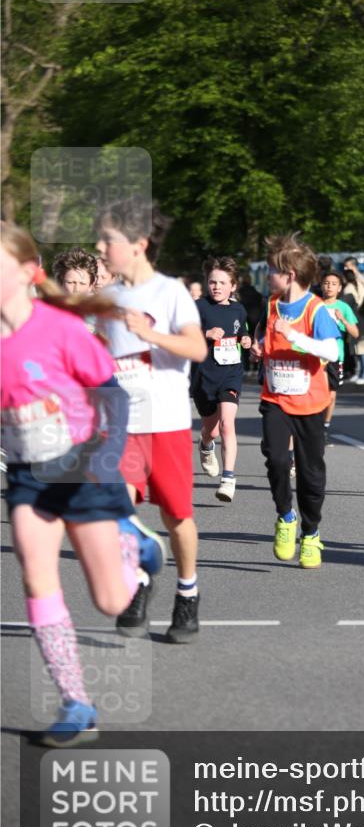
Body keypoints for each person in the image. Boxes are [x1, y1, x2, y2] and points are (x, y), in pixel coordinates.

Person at [0, 223, 161, 746]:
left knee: (112, 602)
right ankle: (75, 702)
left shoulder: (61, 328)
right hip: (28, 473)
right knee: (36, 572)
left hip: (82, 465)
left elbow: (110, 397)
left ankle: (135, 544)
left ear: (27, 273)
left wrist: (105, 460)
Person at [95, 197, 207, 643]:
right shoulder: (106, 298)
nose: (100, 247)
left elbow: (197, 350)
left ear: (138, 244)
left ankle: (187, 591)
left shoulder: (170, 292)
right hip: (121, 428)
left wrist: (149, 334)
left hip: (167, 423)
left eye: (109, 239)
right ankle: (139, 582)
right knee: (115, 512)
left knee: (177, 515)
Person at [252, 233, 339, 569]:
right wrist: (259, 346)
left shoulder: (315, 309)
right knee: (275, 459)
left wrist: (296, 338)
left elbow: (331, 350)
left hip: (310, 402)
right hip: (275, 397)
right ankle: (285, 517)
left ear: (289, 274)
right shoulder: (272, 304)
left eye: (272, 270)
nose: (268, 275)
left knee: (310, 472)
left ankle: (312, 532)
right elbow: (264, 335)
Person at [191, 256, 252, 502]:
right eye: (212, 282)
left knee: (228, 424)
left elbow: (243, 332)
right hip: (204, 376)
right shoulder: (198, 306)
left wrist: (246, 340)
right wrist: (205, 333)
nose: (216, 286)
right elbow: (182, 333)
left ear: (233, 286)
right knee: (212, 430)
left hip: (231, 374)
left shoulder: (239, 308)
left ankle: (228, 478)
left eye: (222, 282)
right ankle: (205, 445)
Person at [320, 269, 359, 445]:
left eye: (333, 284)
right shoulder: (314, 305)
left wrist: (342, 319)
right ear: (321, 285)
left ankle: (325, 427)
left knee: (331, 395)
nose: (329, 287)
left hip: (335, 356)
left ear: (339, 288)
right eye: (326, 283)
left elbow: (355, 333)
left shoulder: (343, 307)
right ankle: (313, 426)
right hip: (315, 356)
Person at [343, 258, 364, 383]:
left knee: (363, 348)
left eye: (348, 267)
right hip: (360, 318)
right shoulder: (356, 283)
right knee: (360, 347)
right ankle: (363, 372)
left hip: (358, 318)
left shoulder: (357, 283)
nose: (346, 269)